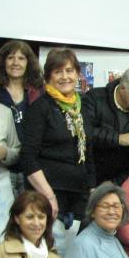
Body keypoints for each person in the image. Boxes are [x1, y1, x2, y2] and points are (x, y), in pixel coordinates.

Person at [21, 48, 95, 220]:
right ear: (48, 77)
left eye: (69, 71)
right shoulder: (40, 108)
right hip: (48, 193)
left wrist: (92, 190)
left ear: (77, 74)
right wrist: (49, 197)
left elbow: (88, 152)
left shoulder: (81, 107)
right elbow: (28, 157)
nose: (64, 77)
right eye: (57, 72)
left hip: (80, 193)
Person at [83, 66, 129, 185]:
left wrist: (114, 186)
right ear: (122, 88)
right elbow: (82, 134)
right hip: (83, 181)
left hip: (121, 187)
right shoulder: (95, 98)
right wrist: (117, 138)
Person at [0, 40, 44, 193]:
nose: (15, 63)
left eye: (21, 58)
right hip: (0, 168)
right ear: (3, 61)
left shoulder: (38, 92)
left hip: (31, 169)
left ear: (29, 63)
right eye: (10, 57)